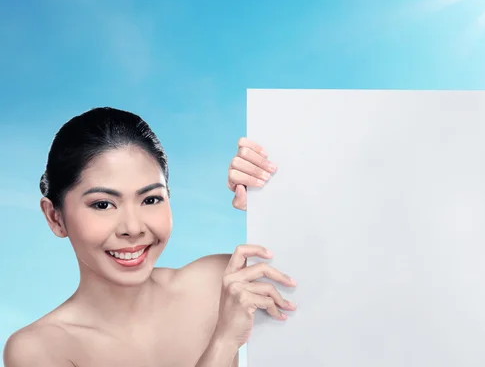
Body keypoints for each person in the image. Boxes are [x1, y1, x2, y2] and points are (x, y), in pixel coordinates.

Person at [2, 107, 296, 367]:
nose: (133, 227)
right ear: (55, 217)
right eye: (103, 204)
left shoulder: (220, 282)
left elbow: (328, 283)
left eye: (151, 199)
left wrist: (268, 196)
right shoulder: (39, 350)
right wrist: (223, 342)